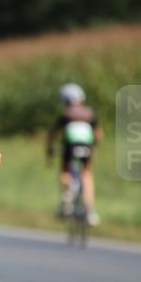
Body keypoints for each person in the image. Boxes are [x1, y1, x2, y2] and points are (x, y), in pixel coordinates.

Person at [46, 83, 102, 224]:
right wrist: (95, 146)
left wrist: (50, 150)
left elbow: (53, 134)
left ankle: (66, 203)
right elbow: (98, 134)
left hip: (69, 148)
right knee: (86, 174)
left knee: (65, 171)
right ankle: (90, 211)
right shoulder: (90, 113)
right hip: (87, 148)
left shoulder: (66, 115)